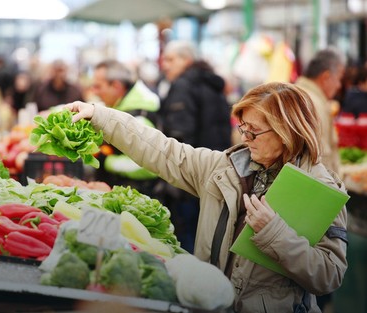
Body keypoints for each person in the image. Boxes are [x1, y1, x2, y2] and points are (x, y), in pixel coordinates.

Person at [64, 81, 348, 313]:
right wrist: (100, 115)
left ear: (286, 131)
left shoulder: (321, 189)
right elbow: (163, 150)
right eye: (243, 128)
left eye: (254, 131)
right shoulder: (222, 168)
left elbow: (329, 275)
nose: (244, 138)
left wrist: (274, 233)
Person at [157, 40, 232, 253]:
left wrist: (174, 180)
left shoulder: (183, 86)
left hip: (191, 179)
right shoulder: (212, 84)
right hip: (216, 174)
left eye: (171, 59)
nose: (165, 65)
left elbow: (180, 137)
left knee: (186, 238)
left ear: (187, 60)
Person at [90, 59, 160, 196]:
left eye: (98, 86)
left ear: (116, 86)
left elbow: (147, 167)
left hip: (136, 198)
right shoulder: (122, 106)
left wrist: (106, 160)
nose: (94, 92)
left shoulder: (139, 117)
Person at [295, 48, 346, 175]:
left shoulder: (298, 94)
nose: (339, 85)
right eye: (339, 78)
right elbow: (321, 161)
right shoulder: (313, 103)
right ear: (326, 76)